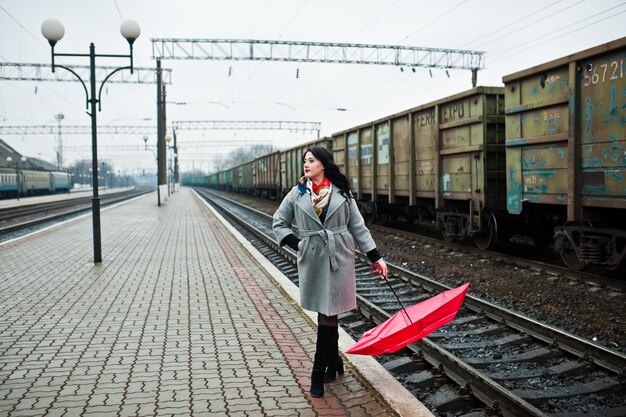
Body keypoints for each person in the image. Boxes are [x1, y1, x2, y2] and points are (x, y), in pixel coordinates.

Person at [272, 146, 388, 398]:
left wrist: (376, 257)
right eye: (305, 161)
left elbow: (358, 227)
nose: (306, 164)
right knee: (327, 312)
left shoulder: (342, 193)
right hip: (312, 258)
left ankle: (318, 373)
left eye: (311, 160)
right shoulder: (297, 193)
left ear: (323, 164)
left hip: (340, 258)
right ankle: (334, 363)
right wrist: (298, 244)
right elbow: (278, 222)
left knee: (328, 314)